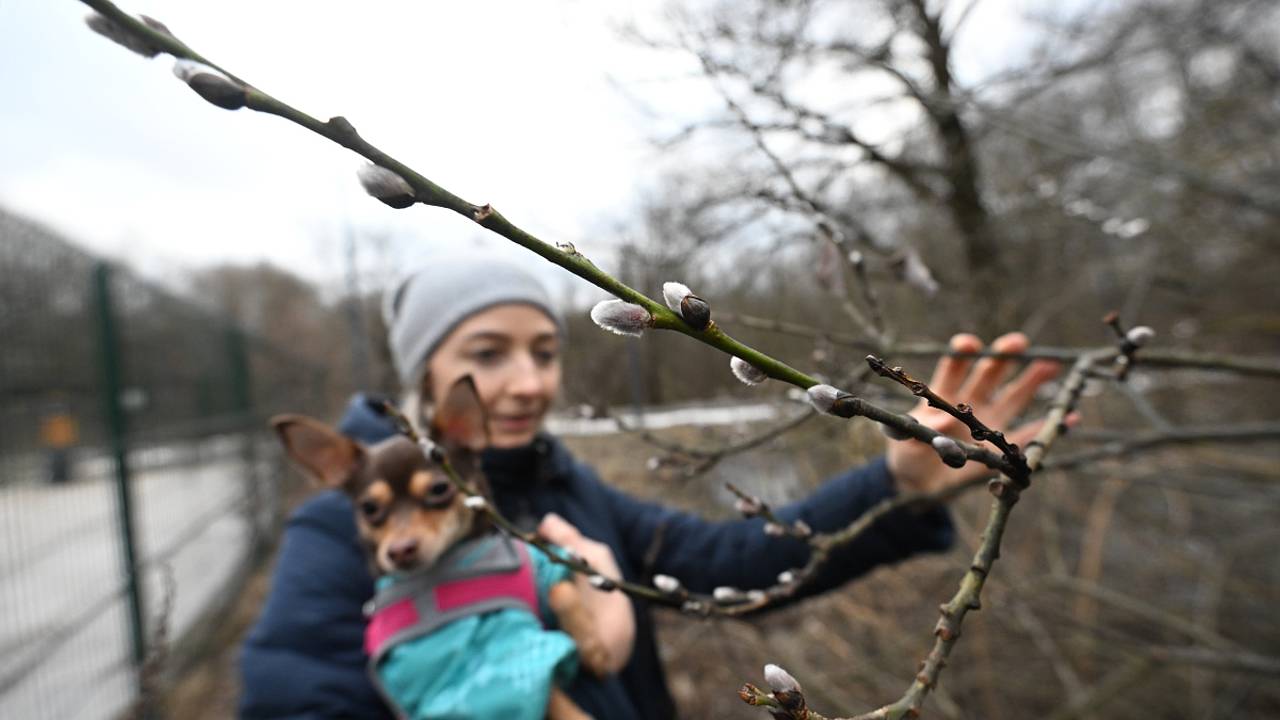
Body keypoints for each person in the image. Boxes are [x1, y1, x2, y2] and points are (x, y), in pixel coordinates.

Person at [238, 253, 1062, 719]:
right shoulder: (345, 533)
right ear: (427, 374)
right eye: (489, 354)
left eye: (544, 351)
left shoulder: (568, 484)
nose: (527, 382)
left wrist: (894, 482)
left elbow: (727, 558)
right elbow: (296, 704)